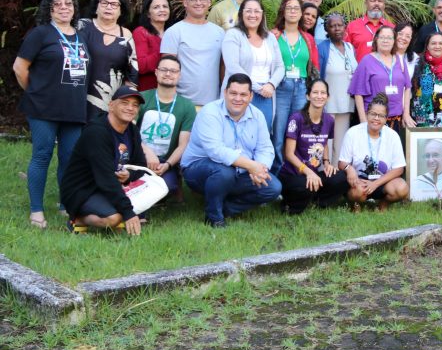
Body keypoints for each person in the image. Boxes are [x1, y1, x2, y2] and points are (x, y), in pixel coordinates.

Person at [13, 0, 91, 229]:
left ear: (74, 8)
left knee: (69, 158)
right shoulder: (41, 34)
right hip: (43, 109)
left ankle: (65, 204)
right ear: (49, 9)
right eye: (58, 4)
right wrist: (36, 91)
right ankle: (36, 210)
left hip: (74, 108)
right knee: (42, 155)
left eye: (68, 3)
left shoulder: (81, 36)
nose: (64, 8)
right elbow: (19, 68)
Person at [181, 73, 281, 227]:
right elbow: (216, 151)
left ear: (251, 96)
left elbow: (265, 147)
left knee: (273, 187)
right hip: (199, 169)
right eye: (233, 93)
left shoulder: (257, 115)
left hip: (239, 171)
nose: (238, 98)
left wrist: (260, 168)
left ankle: (225, 208)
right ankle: (214, 218)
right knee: (224, 172)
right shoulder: (210, 112)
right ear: (225, 93)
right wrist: (250, 165)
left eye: (243, 94)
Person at [61, 86, 152, 235]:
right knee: (114, 218)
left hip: (112, 185)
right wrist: (128, 212)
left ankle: (116, 209)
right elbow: (105, 178)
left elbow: (140, 166)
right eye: (124, 103)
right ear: (111, 106)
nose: (130, 108)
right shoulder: (96, 132)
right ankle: (78, 219)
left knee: (155, 189)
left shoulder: (132, 130)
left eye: (135, 105)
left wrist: (129, 175)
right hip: (84, 189)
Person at [280, 79, 349, 215]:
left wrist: (327, 163)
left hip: (312, 174)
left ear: (328, 97)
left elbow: (324, 142)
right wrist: (308, 172)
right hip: (293, 175)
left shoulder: (329, 120)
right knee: (305, 186)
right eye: (315, 92)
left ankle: (316, 202)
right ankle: (289, 206)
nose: (319, 96)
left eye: (323, 93)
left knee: (341, 178)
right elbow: (289, 154)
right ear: (308, 96)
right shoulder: (296, 118)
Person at [221, 0, 283, 134]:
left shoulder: (270, 37)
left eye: (257, 11)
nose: (253, 15)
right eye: (248, 11)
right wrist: (256, 88)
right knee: (236, 133)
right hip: (240, 93)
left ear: (262, 14)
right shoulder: (233, 35)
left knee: (262, 134)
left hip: (266, 94)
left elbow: (280, 66)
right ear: (241, 14)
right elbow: (233, 66)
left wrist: (271, 85)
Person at [271, 0, 320, 166]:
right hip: (280, 88)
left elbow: (315, 68)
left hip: (301, 88)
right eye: (289, 8)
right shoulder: (273, 36)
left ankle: (295, 172)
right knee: (278, 133)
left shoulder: (307, 39)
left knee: (297, 132)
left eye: (296, 8)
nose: (292, 11)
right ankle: (276, 174)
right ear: (283, 11)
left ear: (301, 13)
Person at [137, 54, 196, 196]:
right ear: (156, 72)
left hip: (165, 161)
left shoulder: (187, 106)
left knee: (168, 186)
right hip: (138, 155)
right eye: (164, 70)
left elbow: (183, 145)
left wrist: (168, 165)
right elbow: (128, 132)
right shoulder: (141, 98)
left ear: (179, 75)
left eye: (173, 71)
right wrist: (147, 153)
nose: (168, 74)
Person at [338, 92, 410, 208]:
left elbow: (399, 169)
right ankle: (356, 205)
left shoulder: (393, 136)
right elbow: (342, 162)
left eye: (381, 116)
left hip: (383, 181)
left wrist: (376, 183)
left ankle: (383, 204)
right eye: (373, 114)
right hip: (360, 181)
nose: (376, 118)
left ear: (386, 118)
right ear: (367, 114)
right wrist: (349, 169)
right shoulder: (353, 133)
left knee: (402, 188)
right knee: (358, 192)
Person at [161, 0, 224, 107]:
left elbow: (223, 66)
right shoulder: (174, 32)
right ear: (185, 2)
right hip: (182, 104)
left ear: (209, 2)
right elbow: (167, 69)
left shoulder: (220, 32)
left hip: (213, 104)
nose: (198, 3)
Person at [79, 0, 138, 116]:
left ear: (120, 10)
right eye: (104, 3)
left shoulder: (126, 35)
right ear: (96, 6)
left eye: (114, 4)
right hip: (78, 96)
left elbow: (132, 74)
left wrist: (127, 103)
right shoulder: (83, 26)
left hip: (109, 102)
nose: (108, 7)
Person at [349, 26, 413, 136]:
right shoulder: (367, 61)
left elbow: (407, 87)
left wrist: (406, 113)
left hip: (395, 119)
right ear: (376, 39)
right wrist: (363, 121)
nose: (385, 40)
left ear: (394, 41)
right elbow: (358, 93)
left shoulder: (399, 60)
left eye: (389, 38)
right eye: (382, 37)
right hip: (374, 119)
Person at [318, 13, 358, 164]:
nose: (336, 29)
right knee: (325, 142)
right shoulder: (322, 48)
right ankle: (323, 173)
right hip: (327, 103)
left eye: (339, 25)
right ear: (326, 29)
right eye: (332, 26)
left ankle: (337, 173)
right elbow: (317, 76)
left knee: (341, 143)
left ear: (345, 27)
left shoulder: (350, 47)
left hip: (346, 103)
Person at [411, 33, 442, 127]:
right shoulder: (416, 65)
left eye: (441, 43)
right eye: (433, 43)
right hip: (421, 120)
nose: (437, 46)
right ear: (427, 46)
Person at [133, 0, 175, 91]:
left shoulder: (173, 33)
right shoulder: (141, 32)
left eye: (165, 6)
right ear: (148, 13)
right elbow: (141, 66)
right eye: (156, 7)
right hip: (148, 89)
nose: (162, 10)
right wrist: (165, 52)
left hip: (171, 89)